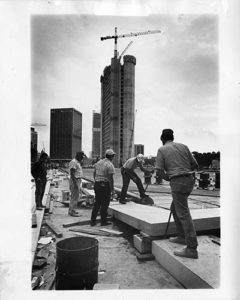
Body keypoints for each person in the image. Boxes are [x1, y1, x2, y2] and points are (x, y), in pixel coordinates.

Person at [155, 129, 199, 259]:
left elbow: (159, 171)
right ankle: (182, 236)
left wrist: (171, 178)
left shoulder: (162, 149)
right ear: (172, 138)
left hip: (177, 181)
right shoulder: (183, 146)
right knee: (175, 208)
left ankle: (192, 248)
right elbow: (195, 165)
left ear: (162, 139)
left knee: (184, 213)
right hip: (190, 180)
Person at [90, 149, 115, 226]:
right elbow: (110, 178)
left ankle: (93, 221)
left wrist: (97, 181)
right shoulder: (110, 165)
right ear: (111, 156)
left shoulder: (98, 162)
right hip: (105, 186)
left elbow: (94, 173)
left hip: (97, 184)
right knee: (105, 204)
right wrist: (112, 189)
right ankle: (103, 222)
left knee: (97, 203)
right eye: (113, 156)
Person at [69, 151, 85, 217]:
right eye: (81, 156)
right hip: (75, 180)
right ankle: (72, 211)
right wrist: (75, 183)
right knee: (74, 197)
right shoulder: (74, 162)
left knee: (75, 196)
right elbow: (72, 173)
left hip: (77, 180)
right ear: (78, 155)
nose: (82, 158)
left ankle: (71, 210)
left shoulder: (77, 162)